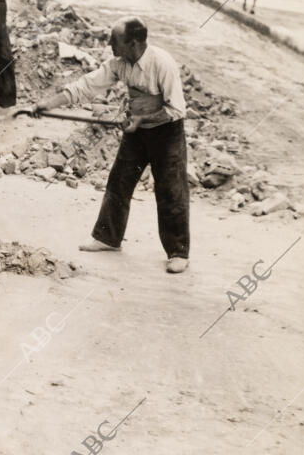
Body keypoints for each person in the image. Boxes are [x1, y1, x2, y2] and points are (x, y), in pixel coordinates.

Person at [34, 17, 190, 274]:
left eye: (114, 40)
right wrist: (49, 103)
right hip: (137, 131)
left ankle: (178, 251)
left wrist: (143, 119)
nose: (109, 45)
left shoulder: (162, 63)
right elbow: (86, 86)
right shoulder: (119, 63)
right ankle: (108, 238)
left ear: (135, 42)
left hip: (166, 132)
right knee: (119, 182)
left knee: (170, 190)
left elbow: (176, 110)